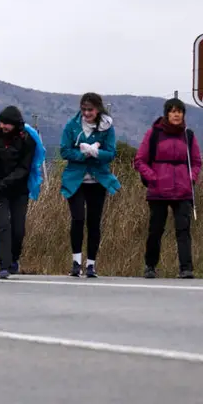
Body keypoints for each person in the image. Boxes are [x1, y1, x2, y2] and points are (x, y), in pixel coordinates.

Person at [134, 98, 203, 279]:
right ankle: (150, 266)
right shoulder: (154, 134)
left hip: (183, 190)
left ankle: (186, 268)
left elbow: (196, 162)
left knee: (183, 230)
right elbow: (140, 160)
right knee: (156, 230)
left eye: (179, 111)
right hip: (158, 191)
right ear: (166, 114)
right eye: (172, 111)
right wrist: (153, 178)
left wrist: (191, 178)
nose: (176, 115)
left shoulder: (188, 135)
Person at [60, 92, 122, 278]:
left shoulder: (107, 128)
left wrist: (96, 153)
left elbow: (110, 153)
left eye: (90, 110)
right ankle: (76, 262)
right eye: (84, 109)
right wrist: (82, 153)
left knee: (94, 221)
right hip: (75, 181)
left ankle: (91, 265)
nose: (87, 113)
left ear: (98, 110)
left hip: (97, 181)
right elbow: (65, 151)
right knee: (78, 218)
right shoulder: (71, 126)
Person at [0, 106, 37, 279]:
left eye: (7, 124)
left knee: (18, 228)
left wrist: (4, 184)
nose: (4, 126)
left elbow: (24, 168)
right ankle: (4, 265)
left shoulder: (27, 140)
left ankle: (14, 257)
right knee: (3, 226)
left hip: (18, 189)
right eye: (1, 122)